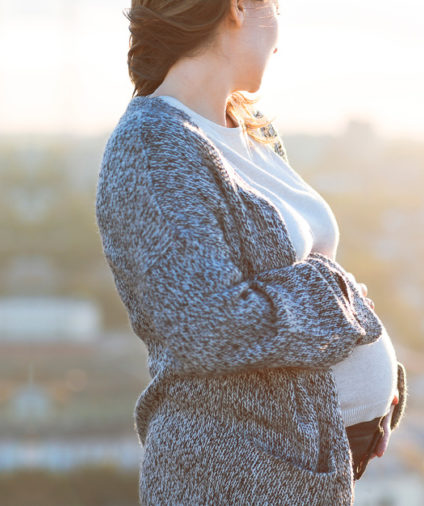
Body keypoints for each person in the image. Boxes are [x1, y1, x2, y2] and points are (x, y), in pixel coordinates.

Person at [94, 0, 408, 504]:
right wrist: (339, 297)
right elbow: (209, 325)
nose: (280, 35)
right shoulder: (153, 147)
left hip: (300, 466)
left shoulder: (247, 128)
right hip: (233, 475)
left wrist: (366, 407)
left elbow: (292, 283)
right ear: (238, 8)